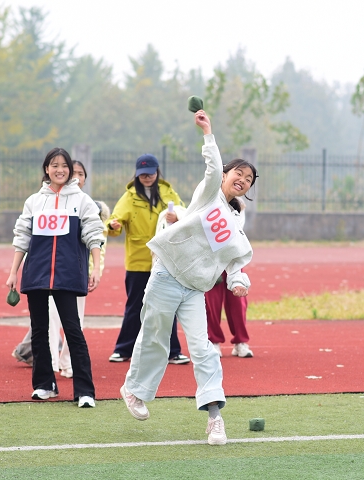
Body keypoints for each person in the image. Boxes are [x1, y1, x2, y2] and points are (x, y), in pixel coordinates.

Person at [120, 109, 257, 446]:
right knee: (155, 337)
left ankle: (215, 419)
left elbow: (236, 263)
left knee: (204, 349)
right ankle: (134, 390)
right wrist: (208, 133)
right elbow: (212, 166)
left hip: (195, 290)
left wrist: (239, 282)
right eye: (238, 173)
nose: (242, 180)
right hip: (166, 275)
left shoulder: (237, 227)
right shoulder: (208, 194)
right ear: (225, 175)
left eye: (248, 179)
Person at [6, 148, 104, 408]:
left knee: (73, 330)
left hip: (67, 274)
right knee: (39, 330)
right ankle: (44, 385)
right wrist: (13, 271)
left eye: (64, 166)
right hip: (36, 273)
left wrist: (95, 267)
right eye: (54, 165)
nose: (59, 170)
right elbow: (22, 237)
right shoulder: (34, 201)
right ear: (46, 169)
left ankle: (84, 391)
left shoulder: (82, 200)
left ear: (70, 170)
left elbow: (94, 233)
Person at [106, 154, 190, 365]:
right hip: (138, 260)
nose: (147, 177)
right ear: (137, 175)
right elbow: (115, 220)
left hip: (164, 260)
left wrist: (176, 217)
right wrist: (113, 226)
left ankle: (173, 351)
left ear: (157, 171)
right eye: (143, 174)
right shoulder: (130, 196)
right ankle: (123, 349)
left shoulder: (169, 193)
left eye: (150, 173)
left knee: (167, 306)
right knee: (135, 306)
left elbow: (186, 215)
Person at [205, 198, 253, 358]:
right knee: (211, 303)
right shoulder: (208, 199)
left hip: (233, 259)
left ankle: (241, 342)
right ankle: (213, 341)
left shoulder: (238, 203)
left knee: (238, 303)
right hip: (213, 261)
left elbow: (238, 231)